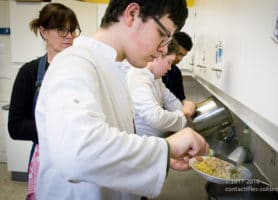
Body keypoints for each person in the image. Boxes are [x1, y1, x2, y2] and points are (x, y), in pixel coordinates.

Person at [34, 1, 209, 199]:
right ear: (132, 14)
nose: (163, 50)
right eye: (162, 35)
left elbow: (114, 139)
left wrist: (161, 158)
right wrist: (166, 148)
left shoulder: (116, 68)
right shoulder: (73, 64)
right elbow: (78, 153)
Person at [7, 3, 81, 199]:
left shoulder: (83, 70)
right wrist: (59, 130)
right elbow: (15, 127)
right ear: (43, 32)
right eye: (62, 29)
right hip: (45, 159)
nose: (70, 36)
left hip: (80, 159)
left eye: (73, 30)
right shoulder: (29, 73)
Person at [127, 38, 196, 138]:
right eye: (169, 62)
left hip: (158, 140)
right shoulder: (138, 76)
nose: (169, 68)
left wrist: (184, 110)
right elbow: (155, 117)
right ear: (158, 56)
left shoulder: (156, 78)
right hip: (145, 142)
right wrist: (185, 114)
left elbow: (170, 100)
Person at [162, 31, 193, 102]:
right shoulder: (154, 70)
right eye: (179, 53)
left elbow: (180, 99)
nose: (180, 59)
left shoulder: (176, 73)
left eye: (183, 56)